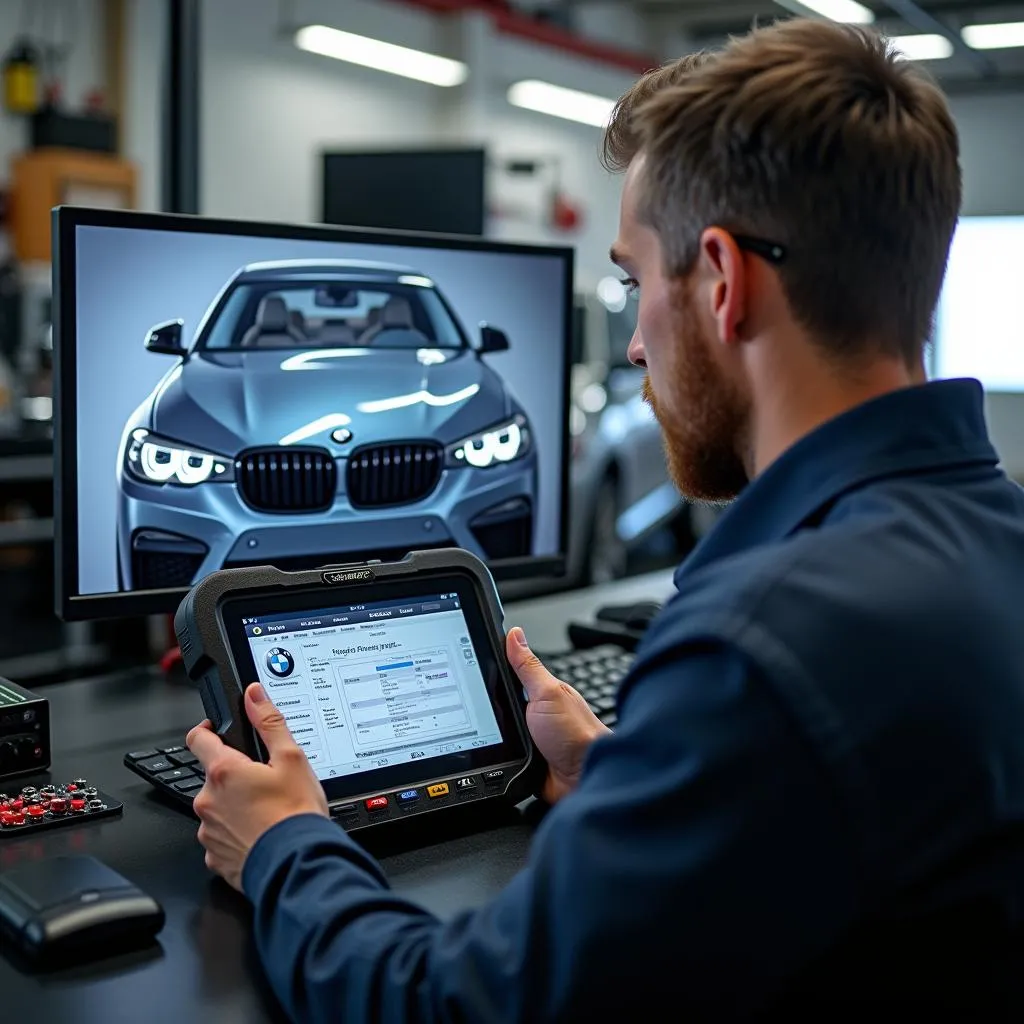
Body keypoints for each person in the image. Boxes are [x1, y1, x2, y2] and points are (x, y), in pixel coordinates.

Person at [186, 18, 1024, 1021]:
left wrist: (283, 844)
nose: (631, 346)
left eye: (634, 283)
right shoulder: (991, 540)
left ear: (722, 280)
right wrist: (629, 782)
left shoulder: (761, 644)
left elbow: (457, 1006)